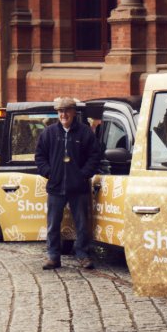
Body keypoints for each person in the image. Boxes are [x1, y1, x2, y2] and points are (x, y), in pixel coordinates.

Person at [34, 97, 102, 270]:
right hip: (56, 187)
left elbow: (95, 156)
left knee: (81, 223)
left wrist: (83, 175)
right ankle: (53, 256)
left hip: (78, 187)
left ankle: (83, 254)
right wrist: (49, 172)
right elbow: (40, 156)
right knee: (53, 224)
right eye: (60, 111)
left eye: (66, 111)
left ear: (74, 112)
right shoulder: (49, 133)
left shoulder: (85, 133)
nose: (63, 114)